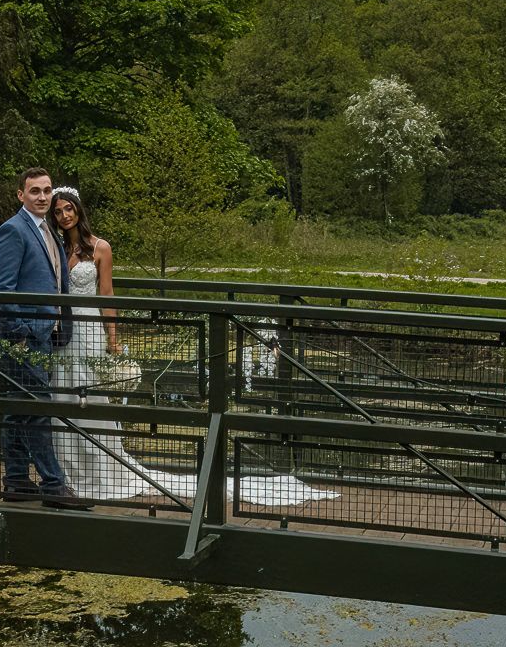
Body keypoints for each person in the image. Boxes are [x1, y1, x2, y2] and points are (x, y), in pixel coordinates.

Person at [48, 186, 337, 507]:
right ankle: (66, 473)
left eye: (68, 209)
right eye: (58, 211)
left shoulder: (100, 248)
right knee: (62, 395)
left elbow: (108, 296)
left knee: (90, 396)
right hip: (64, 331)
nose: (64, 216)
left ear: (79, 209)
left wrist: (113, 340)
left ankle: (100, 470)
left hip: (90, 332)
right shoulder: (57, 247)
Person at [0, 168, 88, 510]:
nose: (43, 197)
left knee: (18, 410)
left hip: (42, 336)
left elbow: (54, 283)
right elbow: (3, 289)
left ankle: (16, 482)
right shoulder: (13, 230)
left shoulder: (47, 229)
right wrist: (20, 333)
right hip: (21, 338)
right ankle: (54, 485)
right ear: (21, 195)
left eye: (47, 190)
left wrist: (59, 326)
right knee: (38, 410)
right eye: (35, 191)